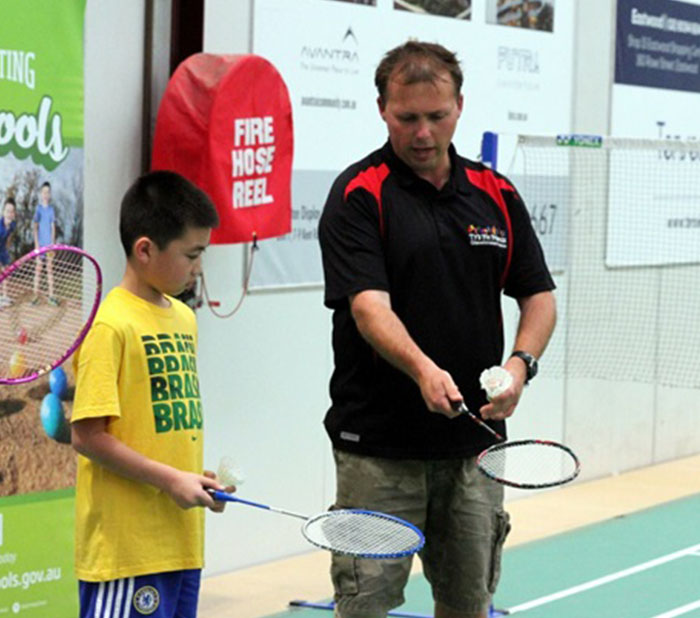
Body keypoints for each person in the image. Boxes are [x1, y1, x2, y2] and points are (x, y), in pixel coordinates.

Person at [318, 41, 556, 618]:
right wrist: (423, 370)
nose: (423, 133)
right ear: (382, 109)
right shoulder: (359, 195)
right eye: (407, 118)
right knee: (365, 607)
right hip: (378, 451)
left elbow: (539, 296)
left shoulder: (496, 194)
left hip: (474, 449)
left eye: (437, 116)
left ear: (459, 107)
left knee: (469, 605)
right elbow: (369, 308)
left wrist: (520, 366)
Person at [71, 170, 232, 618]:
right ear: (145, 250)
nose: (199, 267)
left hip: (181, 544)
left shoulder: (184, 318)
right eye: (191, 255)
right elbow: (87, 437)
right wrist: (170, 480)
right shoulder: (110, 325)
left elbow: (157, 427)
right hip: (127, 553)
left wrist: (193, 480)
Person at [32, 181, 57, 305]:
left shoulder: (52, 210)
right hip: (40, 245)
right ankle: (35, 297)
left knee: (50, 270)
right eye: (44, 192)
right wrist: (36, 244)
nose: (46, 194)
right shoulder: (38, 209)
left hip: (49, 246)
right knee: (38, 270)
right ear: (41, 194)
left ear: (50, 194)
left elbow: (53, 227)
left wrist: (52, 244)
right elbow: (35, 227)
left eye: (48, 192)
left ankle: (51, 296)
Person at [0, 196, 17, 306]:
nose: (9, 214)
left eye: (12, 211)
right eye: (7, 211)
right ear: (3, 212)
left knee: (6, 272)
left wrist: (6, 249)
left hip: (2, 249)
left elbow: (9, 238)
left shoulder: (12, 225)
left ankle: (4, 296)